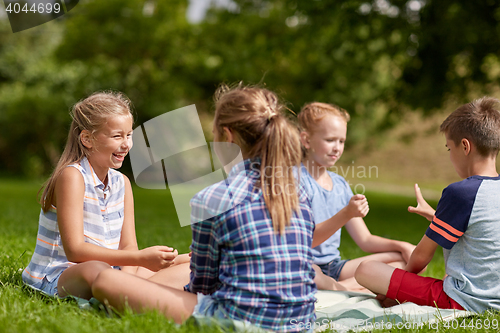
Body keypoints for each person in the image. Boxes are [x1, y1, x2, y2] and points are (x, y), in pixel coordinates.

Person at [91, 85, 368, 332]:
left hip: (240, 319)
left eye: (213, 133)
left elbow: (203, 286)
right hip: (301, 320)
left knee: (106, 281)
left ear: (227, 135)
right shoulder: (298, 192)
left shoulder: (211, 197)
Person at [22, 91, 189, 300]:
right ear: (87, 139)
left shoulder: (122, 183)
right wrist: (139, 259)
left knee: (193, 264)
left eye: (129, 135)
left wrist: (133, 267)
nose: (126, 144)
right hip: (61, 274)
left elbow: (128, 246)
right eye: (117, 136)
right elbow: (75, 250)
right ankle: (139, 291)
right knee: (96, 270)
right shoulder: (72, 176)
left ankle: (129, 290)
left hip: (113, 270)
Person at [355, 97, 500, 312]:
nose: (450, 156)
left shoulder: (461, 193)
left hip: (465, 301)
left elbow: (422, 257)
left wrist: (397, 288)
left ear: (465, 146)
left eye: (449, 149)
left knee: (366, 269)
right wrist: (436, 217)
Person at [298, 102, 416, 291]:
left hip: (334, 267)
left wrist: (402, 245)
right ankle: (348, 288)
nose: (337, 148)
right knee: (310, 274)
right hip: (304, 263)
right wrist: (346, 213)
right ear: (306, 140)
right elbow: (305, 240)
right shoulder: (295, 181)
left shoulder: (340, 185)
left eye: (341, 141)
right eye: (330, 140)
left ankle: (339, 288)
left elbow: (365, 240)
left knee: (403, 261)